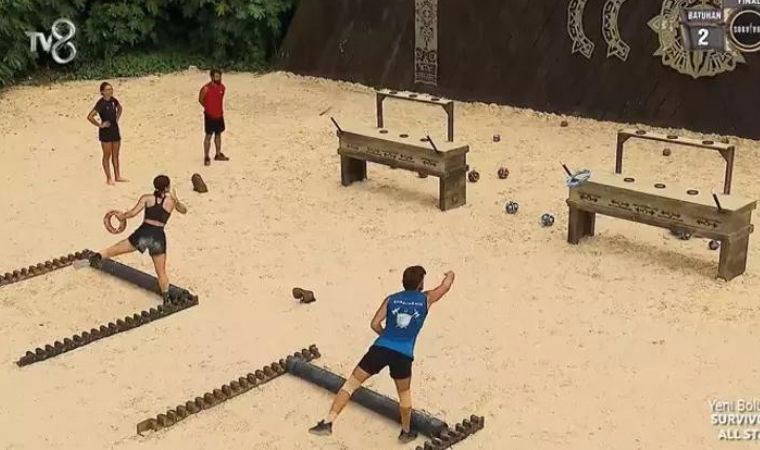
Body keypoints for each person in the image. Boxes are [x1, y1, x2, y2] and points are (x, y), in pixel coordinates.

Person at [308, 266, 455, 443]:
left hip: (381, 348)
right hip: (403, 354)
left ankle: (328, 422)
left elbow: (375, 324)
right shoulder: (425, 298)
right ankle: (406, 432)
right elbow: (445, 287)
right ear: (420, 284)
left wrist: (386, 336)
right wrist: (450, 274)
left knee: (350, 385)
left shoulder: (391, 299)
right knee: (404, 394)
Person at [88, 175, 187, 302]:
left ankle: (99, 256)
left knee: (119, 248)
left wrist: (121, 216)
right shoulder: (171, 202)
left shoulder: (147, 198)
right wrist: (176, 200)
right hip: (158, 236)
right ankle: (166, 299)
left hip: (144, 232)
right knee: (161, 272)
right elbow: (183, 210)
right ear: (167, 187)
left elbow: (132, 213)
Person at [87, 82, 126, 185]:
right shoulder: (101, 103)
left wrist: (117, 118)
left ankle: (117, 176)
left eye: (111, 89)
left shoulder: (113, 100)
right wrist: (100, 125)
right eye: (108, 89)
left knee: (116, 154)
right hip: (105, 132)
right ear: (102, 92)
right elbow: (90, 116)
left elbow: (120, 108)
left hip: (115, 129)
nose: (110, 91)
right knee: (107, 155)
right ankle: (108, 178)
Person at [198, 69, 229, 166]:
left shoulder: (222, 87)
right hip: (209, 116)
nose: (218, 78)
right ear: (212, 77)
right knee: (208, 136)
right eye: (216, 76)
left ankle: (218, 154)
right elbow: (200, 99)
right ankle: (206, 156)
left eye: (219, 76)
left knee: (218, 134)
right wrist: (208, 108)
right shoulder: (206, 88)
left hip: (219, 115)